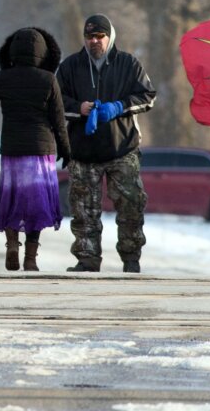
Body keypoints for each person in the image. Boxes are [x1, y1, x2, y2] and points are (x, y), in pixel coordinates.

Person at [56, 14, 156, 273]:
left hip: (122, 149)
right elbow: (54, 102)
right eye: (89, 37)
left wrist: (120, 106)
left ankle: (131, 258)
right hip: (83, 150)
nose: (94, 41)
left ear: (110, 37)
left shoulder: (128, 64)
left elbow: (148, 96)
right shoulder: (70, 66)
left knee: (131, 205)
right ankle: (87, 258)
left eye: (100, 36)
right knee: (83, 210)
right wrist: (79, 108)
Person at [0, 27, 71, 272]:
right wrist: (66, 150)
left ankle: (12, 245)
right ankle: (31, 257)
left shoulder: (4, 77)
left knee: (12, 198)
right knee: (36, 204)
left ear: (12, 50)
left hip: (12, 150)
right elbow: (58, 120)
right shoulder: (48, 79)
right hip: (41, 151)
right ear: (43, 53)